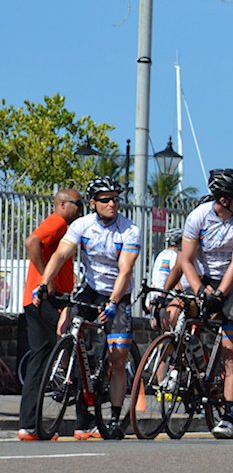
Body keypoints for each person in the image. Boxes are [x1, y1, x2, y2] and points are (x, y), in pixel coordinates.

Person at [34, 176, 141, 440]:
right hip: (91, 289)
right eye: (105, 200)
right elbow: (60, 254)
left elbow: (125, 270)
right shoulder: (82, 225)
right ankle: (67, 371)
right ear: (93, 203)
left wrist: (114, 302)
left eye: (115, 199)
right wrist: (44, 283)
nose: (112, 204)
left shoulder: (129, 230)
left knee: (118, 358)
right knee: (65, 325)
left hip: (118, 293)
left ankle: (114, 417)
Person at [175, 168, 233, 439]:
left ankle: (230, 416)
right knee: (179, 317)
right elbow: (186, 260)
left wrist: (220, 295)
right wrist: (200, 290)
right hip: (206, 278)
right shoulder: (198, 217)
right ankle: (194, 372)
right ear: (224, 200)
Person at [18, 187, 80, 440]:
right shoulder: (58, 222)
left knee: (40, 359)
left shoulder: (64, 228)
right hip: (45, 299)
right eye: (77, 204)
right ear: (63, 204)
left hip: (34, 300)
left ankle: (29, 426)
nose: (81, 209)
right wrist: (47, 278)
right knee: (72, 346)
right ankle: (84, 419)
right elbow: (31, 242)